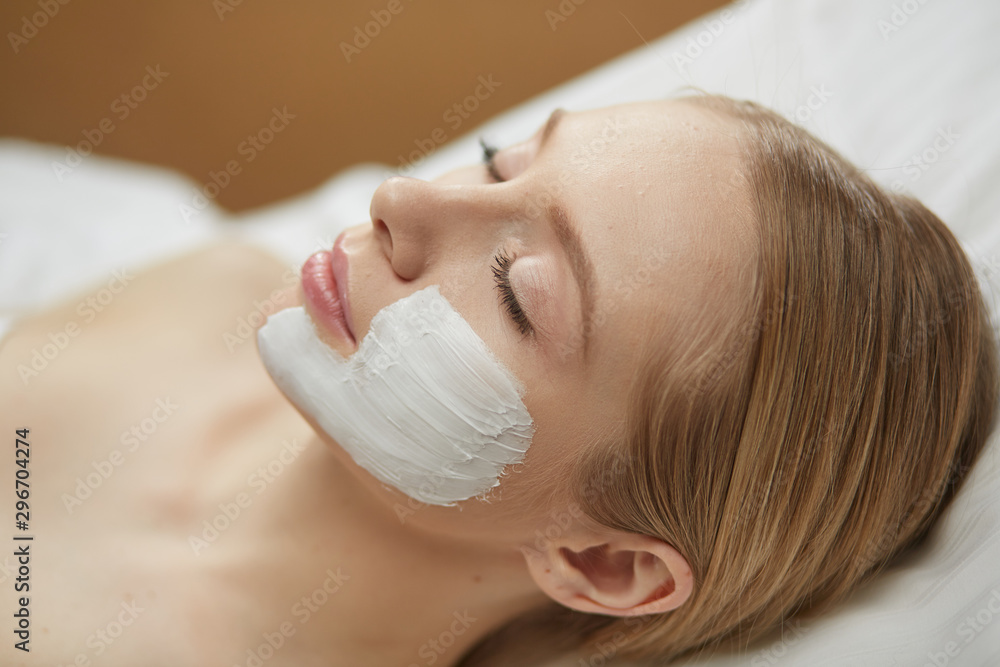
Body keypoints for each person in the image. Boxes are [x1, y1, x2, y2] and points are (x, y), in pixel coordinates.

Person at [0, 93, 995, 667]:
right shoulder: (213, 290)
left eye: (517, 291)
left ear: (604, 564)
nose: (401, 198)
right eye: (494, 163)